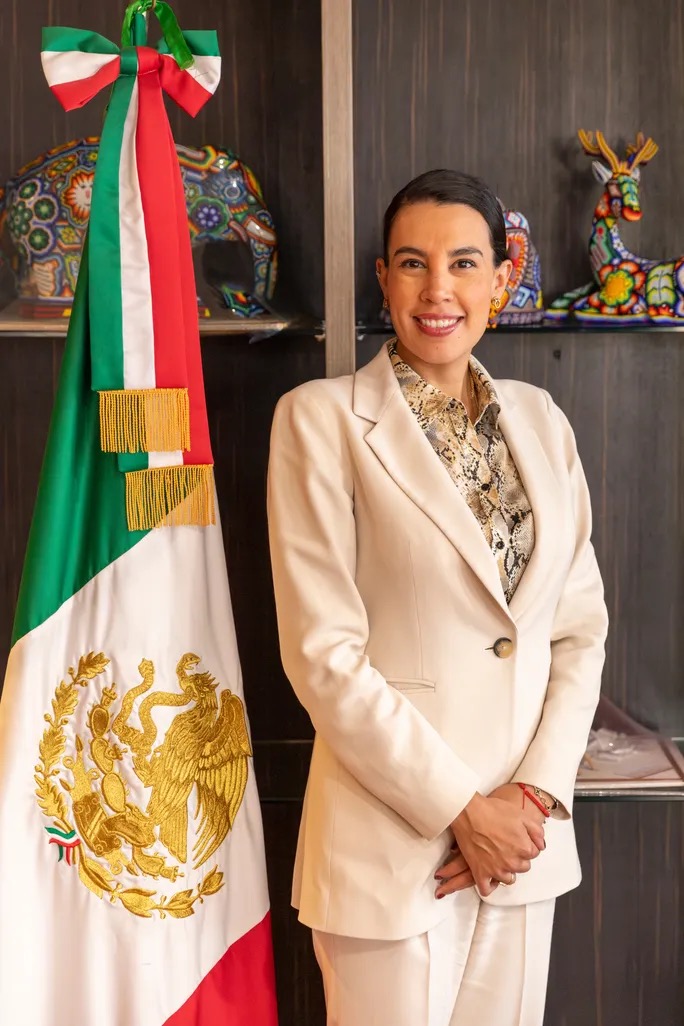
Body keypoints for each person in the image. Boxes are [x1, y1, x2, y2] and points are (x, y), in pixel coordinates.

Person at [266, 169, 608, 1026]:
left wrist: (529, 801)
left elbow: (579, 632)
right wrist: (462, 810)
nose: (438, 290)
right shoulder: (320, 420)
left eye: (464, 262)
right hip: (391, 846)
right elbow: (323, 656)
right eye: (412, 264)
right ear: (383, 278)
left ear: (502, 276)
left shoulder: (543, 420)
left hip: (525, 851)